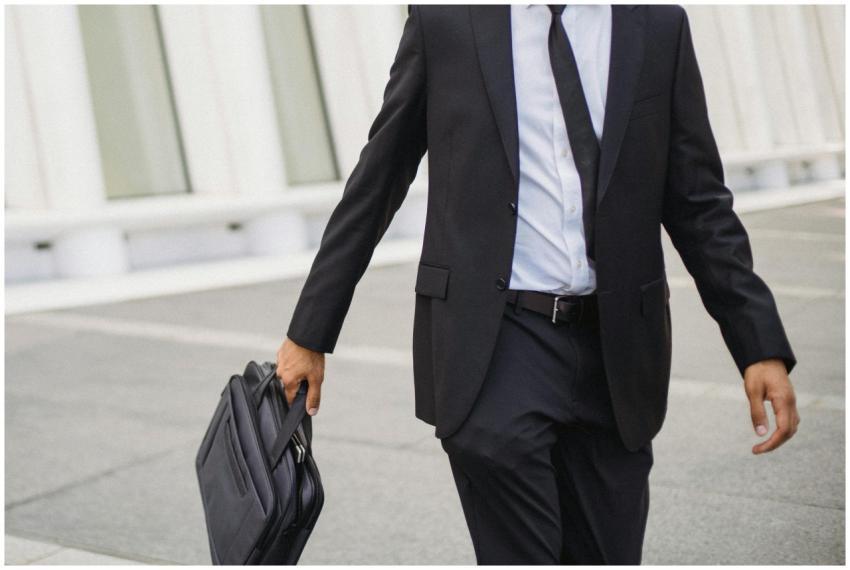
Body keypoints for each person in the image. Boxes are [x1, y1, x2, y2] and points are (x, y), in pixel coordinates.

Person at [276, 5, 800, 564]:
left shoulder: (656, 27)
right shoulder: (448, 22)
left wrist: (758, 344)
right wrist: (310, 333)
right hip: (495, 345)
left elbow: (699, 203)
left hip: (616, 356)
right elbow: (377, 179)